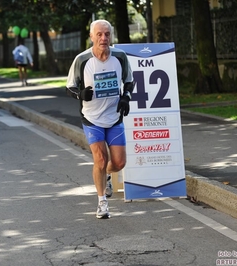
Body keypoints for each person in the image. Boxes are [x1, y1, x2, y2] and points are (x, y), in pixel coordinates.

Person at [66, 19, 134, 219]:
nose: (104, 38)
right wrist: (80, 95)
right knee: (101, 160)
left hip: (114, 117)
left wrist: (125, 98)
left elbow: (129, 81)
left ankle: (107, 178)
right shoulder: (82, 60)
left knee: (119, 163)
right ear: (91, 37)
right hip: (92, 118)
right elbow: (69, 87)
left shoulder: (120, 57)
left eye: (107, 34)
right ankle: (102, 202)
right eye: (99, 34)